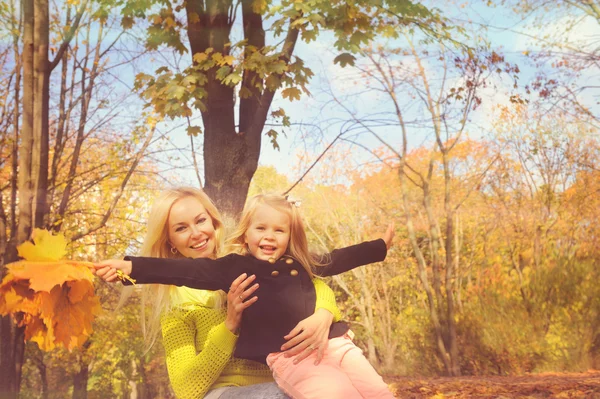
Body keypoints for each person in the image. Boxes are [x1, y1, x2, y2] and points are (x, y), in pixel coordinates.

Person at [96, 193, 395, 399]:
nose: (197, 233)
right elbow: (188, 390)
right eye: (181, 228)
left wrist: (323, 315)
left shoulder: (252, 261)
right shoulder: (181, 302)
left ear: (213, 222)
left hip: (287, 371)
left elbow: (316, 277)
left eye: (201, 221)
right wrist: (229, 324)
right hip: (228, 392)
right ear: (170, 241)